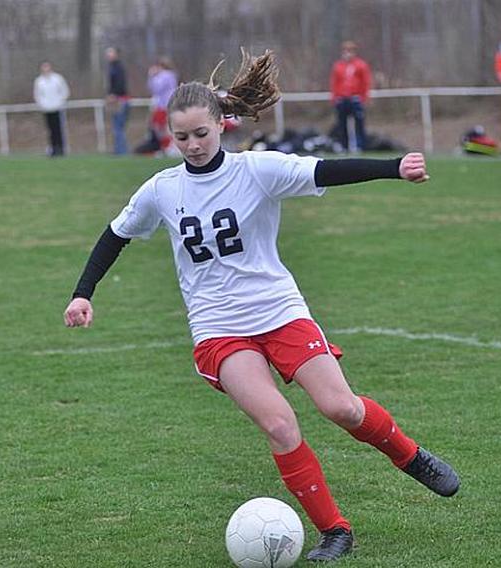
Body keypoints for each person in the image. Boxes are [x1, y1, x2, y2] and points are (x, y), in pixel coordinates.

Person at [64, 50, 459, 563]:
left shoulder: (258, 170)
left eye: (201, 134)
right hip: (218, 328)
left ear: (222, 125)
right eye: (181, 137)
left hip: (280, 311)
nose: (193, 145)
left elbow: (328, 170)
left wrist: (394, 168)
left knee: (341, 407)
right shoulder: (162, 190)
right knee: (278, 425)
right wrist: (83, 293)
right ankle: (335, 531)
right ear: (170, 135)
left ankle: (411, 457)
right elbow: (114, 236)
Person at [329, 40, 371, 153]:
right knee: (341, 124)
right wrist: (335, 97)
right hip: (342, 99)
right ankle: (344, 146)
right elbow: (334, 83)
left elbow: (365, 82)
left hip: (356, 98)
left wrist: (363, 97)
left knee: (359, 124)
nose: (348, 53)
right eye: (346, 51)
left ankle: (360, 146)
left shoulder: (361, 65)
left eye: (350, 51)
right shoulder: (338, 66)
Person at [33, 61, 70, 157]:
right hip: (46, 109)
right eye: (44, 67)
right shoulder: (39, 81)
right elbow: (38, 95)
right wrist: (42, 104)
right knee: (50, 130)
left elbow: (64, 91)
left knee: (59, 129)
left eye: (47, 67)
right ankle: (53, 149)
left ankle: (61, 149)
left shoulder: (57, 78)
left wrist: (61, 101)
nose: (46, 69)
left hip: (57, 107)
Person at [146, 56, 178, 154]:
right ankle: (168, 147)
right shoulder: (173, 75)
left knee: (161, 128)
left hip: (163, 106)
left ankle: (167, 147)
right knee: (165, 127)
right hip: (170, 104)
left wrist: (151, 76)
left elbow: (155, 88)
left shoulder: (165, 75)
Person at [105, 47, 130, 155]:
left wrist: (113, 94)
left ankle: (122, 151)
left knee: (118, 127)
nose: (108, 55)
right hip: (118, 99)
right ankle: (118, 150)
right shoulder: (112, 67)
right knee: (117, 127)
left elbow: (120, 84)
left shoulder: (118, 68)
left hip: (120, 100)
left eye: (110, 53)